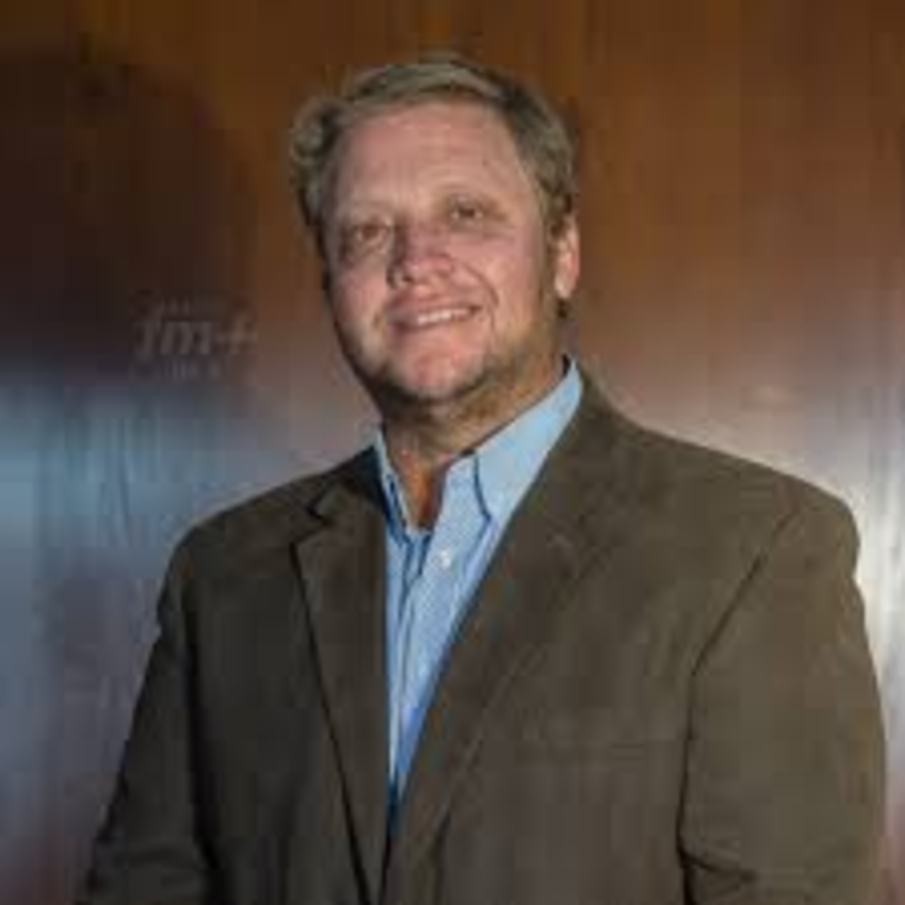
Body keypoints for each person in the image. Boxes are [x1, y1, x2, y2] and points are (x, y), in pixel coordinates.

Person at [79, 53, 885, 905]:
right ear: (330, 286)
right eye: (366, 231)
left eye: (464, 213)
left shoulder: (752, 552)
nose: (415, 260)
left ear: (562, 254)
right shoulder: (223, 576)